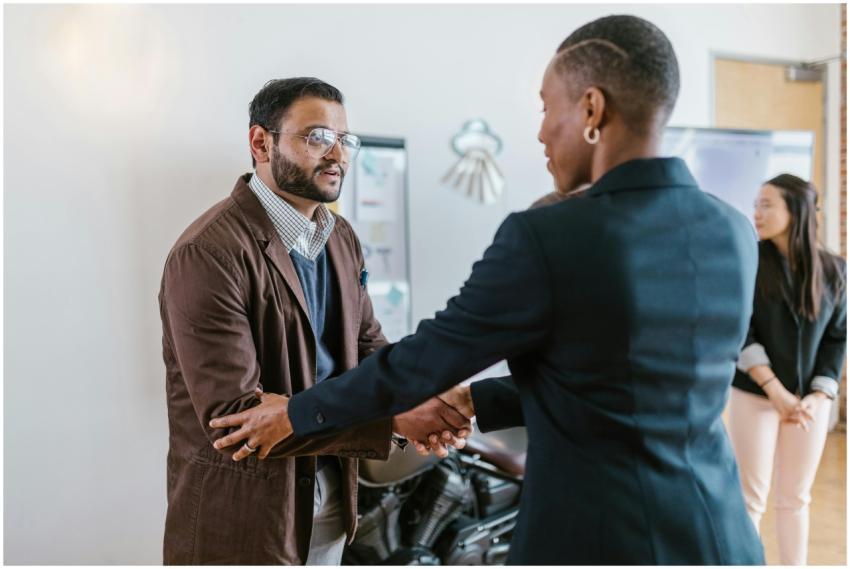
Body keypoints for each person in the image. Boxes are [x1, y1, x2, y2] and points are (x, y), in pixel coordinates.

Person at [209, 16, 765, 564]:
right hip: (719, 533)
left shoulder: (551, 236)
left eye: (548, 108)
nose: (542, 131)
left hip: (601, 537)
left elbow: (426, 360)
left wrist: (296, 413)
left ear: (592, 109)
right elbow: (621, 382)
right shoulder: (733, 229)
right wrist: (474, 400)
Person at [158, 77, 470, 565]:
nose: (338, 155)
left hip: (331, 504)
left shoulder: (339, 236)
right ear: (260, 142)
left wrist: (417, 398)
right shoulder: (208, 252)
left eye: (345, 140)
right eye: (317, 137)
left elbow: (369, 348)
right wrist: (393, 417)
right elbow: (235, 415)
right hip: (245, 520)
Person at [726, 174, 846, 565]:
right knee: (751, 497)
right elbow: (740, 330)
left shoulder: (834, 270)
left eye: (766, 204)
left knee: (796, 498)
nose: (756, 212)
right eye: (756, 203)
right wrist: (775, 390)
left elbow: (837, 337)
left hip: (810, 403)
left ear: (795, 211)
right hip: (755, 394)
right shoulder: (748, 260)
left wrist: (819, 393)